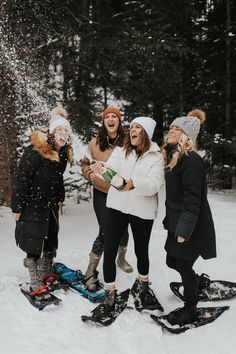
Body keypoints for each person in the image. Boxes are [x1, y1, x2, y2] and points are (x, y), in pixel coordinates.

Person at [90, 116, 165, 315]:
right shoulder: (121, 151)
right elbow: (111, 172)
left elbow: (155, 184)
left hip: (142, 211)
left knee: (141, 251)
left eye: (137, 127)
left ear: (146, 133)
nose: (132, 130)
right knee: (110, 245)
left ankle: (143, 285)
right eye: (131, 127)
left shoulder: (156, 157)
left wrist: (134, 183)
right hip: (117, 207)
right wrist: (101, 169)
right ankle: (109, 291)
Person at [162, 109, 216, 326]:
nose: (172, 130)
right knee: (171, 260)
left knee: (183, 265)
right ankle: (195, 280)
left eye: (178, 128)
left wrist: (183, 230)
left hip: (191, 224)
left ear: (187, 136)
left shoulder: (191, 159)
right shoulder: (175, 157)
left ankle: (191, 308)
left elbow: (193, 199)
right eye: (171, 127)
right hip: (178, 221)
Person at [11, 107, 73, 290]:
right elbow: (22, 179)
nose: (63, 135)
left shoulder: (62, 153)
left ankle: (45, 273)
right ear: (52, 133)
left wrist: (60, 196)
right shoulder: (35, 151)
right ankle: (35, 281)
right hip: (32, 202)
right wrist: (17, 207)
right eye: (59, 131)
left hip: (50, 203)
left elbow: (58, 177)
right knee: (33, 239)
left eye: (66, 132)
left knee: (51, 237)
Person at [81, 107, 133, 291]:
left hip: (123, 192)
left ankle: (121, 258)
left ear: (119, 121)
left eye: (114, 117)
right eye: (107, 117)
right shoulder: (94, 143)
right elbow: (84, 163)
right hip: (102, 193)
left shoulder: (128, 141)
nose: (111, 119)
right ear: (103, 122)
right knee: (106, 230)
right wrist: (91, 176)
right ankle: (90, 270)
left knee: (123, 228)